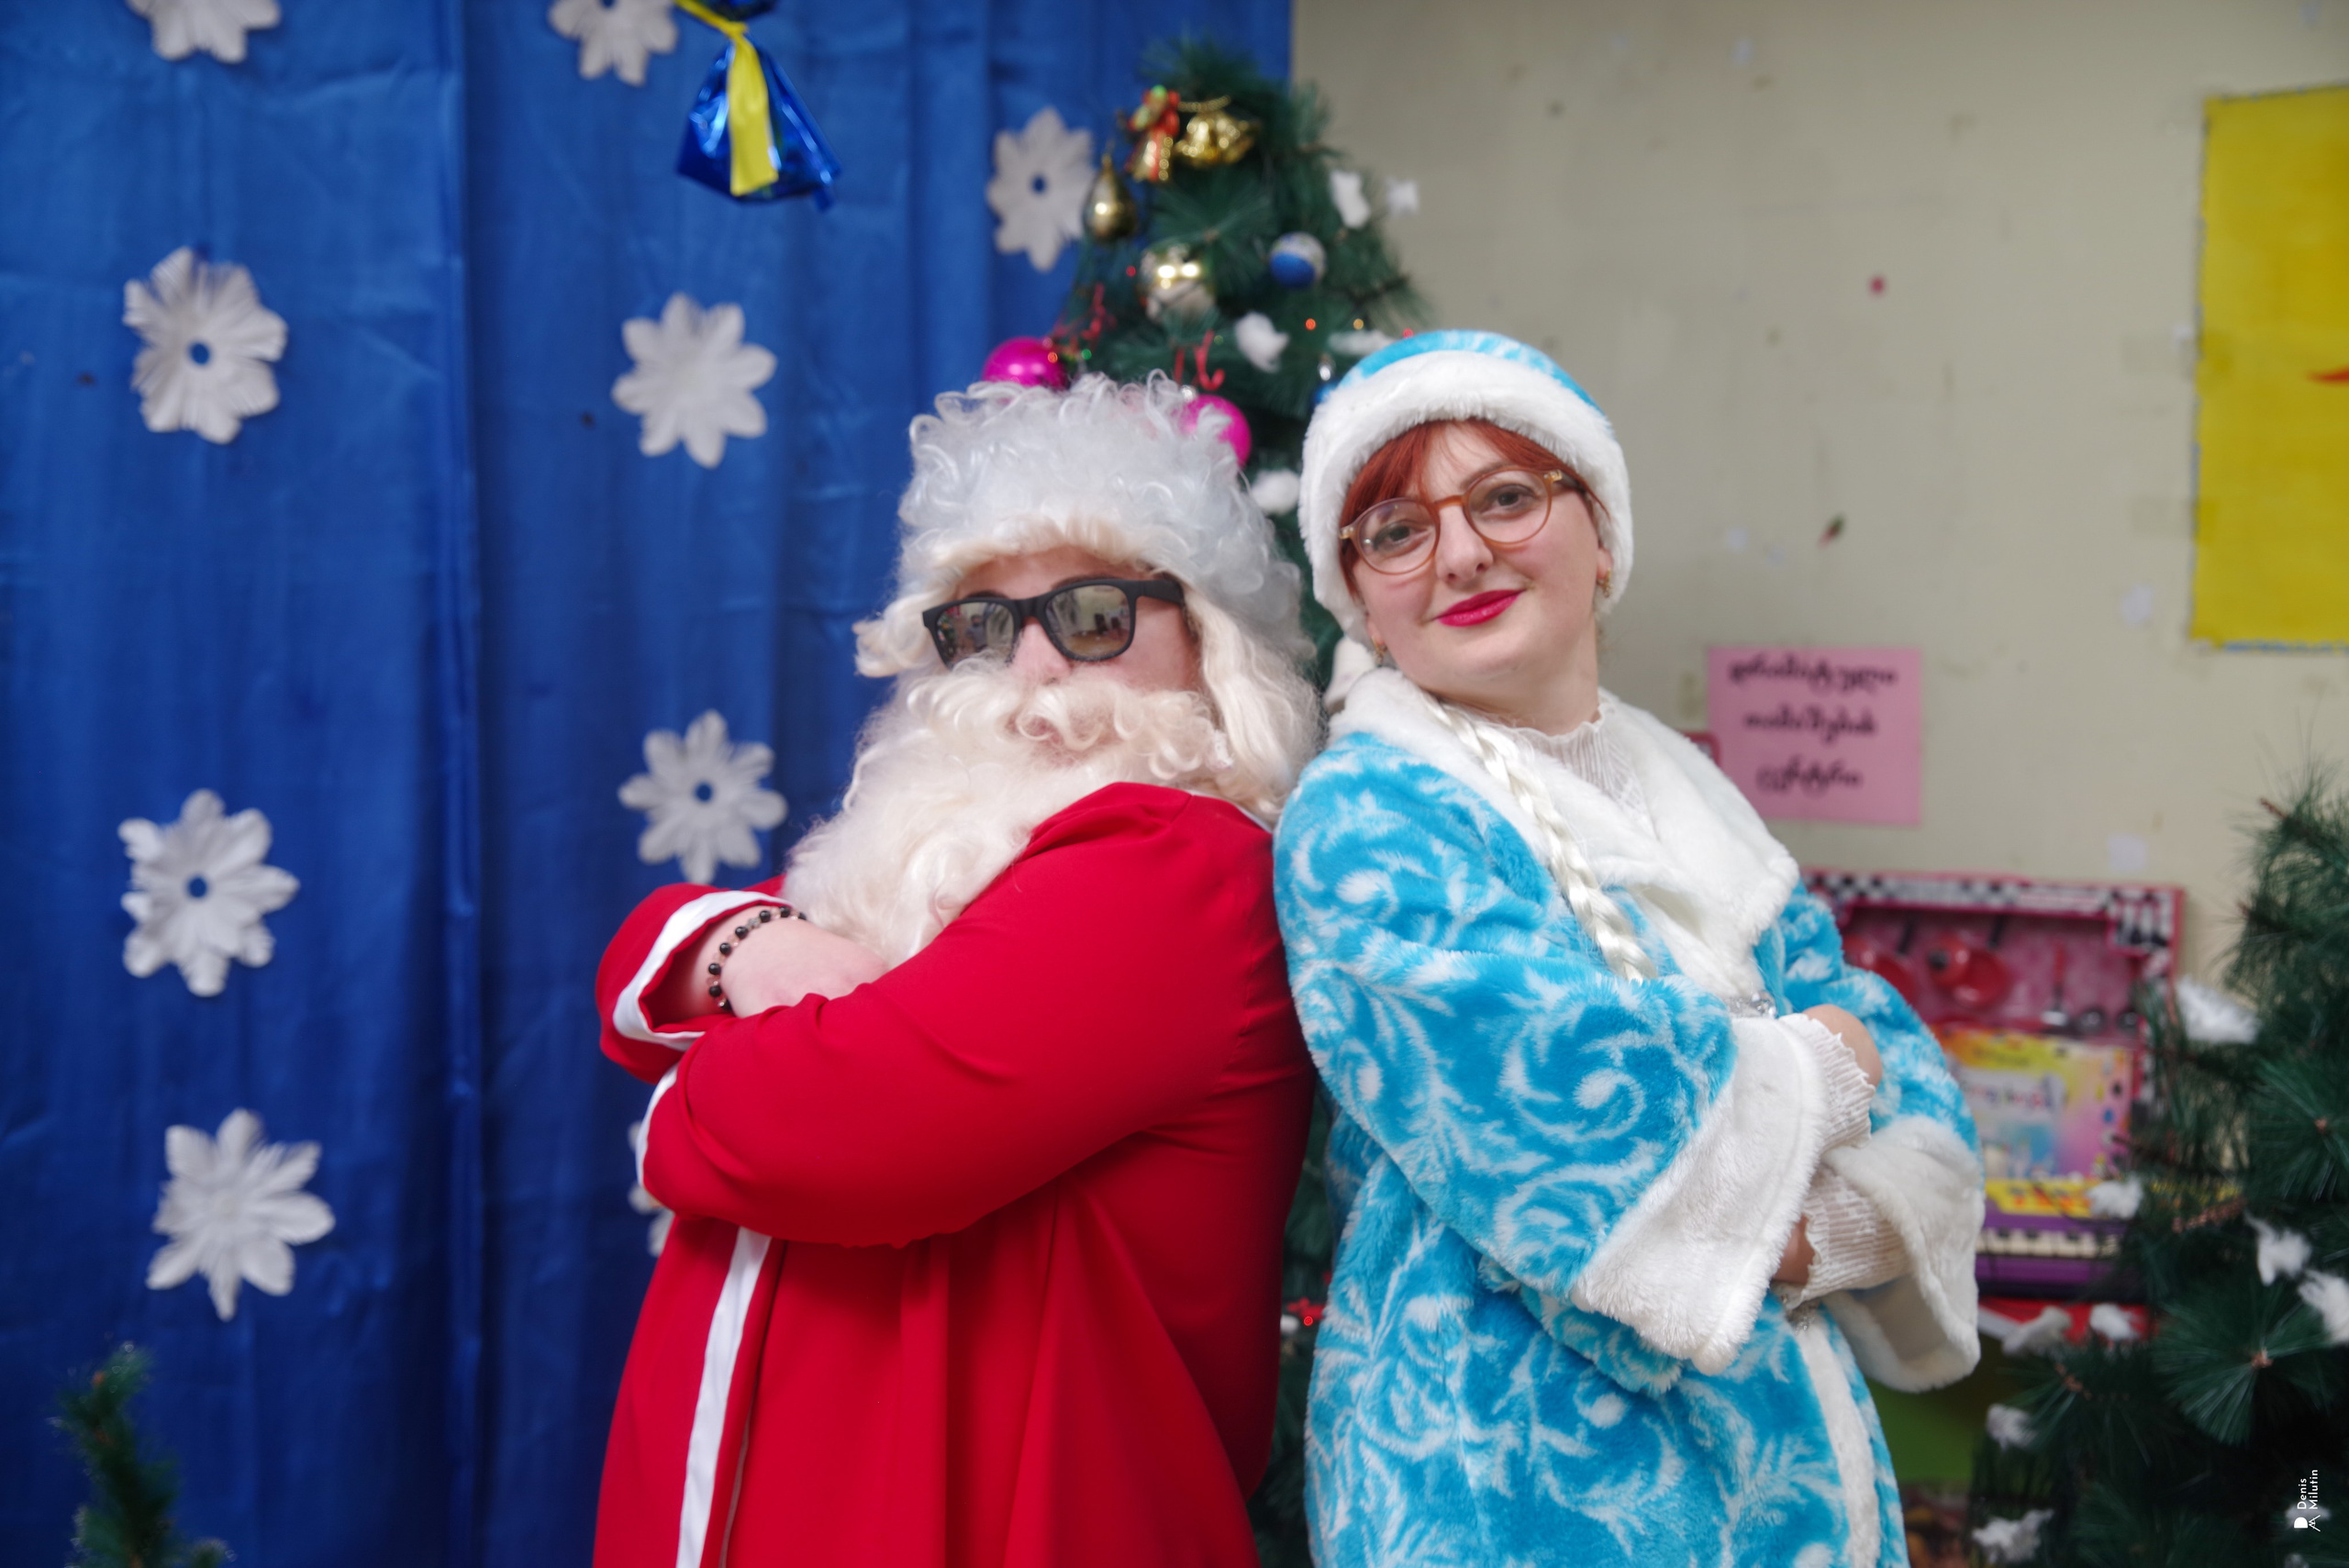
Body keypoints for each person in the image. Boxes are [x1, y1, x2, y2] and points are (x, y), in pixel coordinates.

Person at [1274, 331, 1983, 1567]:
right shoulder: (1368, 819)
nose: (1460, 553)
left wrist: (1833, 1201)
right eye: (1395, 529)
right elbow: (1566, 1098)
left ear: (1600, 535)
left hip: (1790, 1477)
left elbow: (1906, 1062)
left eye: (1504, 497)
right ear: (1362, 598)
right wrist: (1820, 1083)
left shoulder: (1693, 795)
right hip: (1506, 1490)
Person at [591, 375, 1322, 1567]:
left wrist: (708, 1054)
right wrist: (749, 945)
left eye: (1093, 616)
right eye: (984, 625)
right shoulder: (935, 849)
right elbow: (644, 949)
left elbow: (826, 1124)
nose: (1035, 669)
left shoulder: (1179, 865)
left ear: (1206, 640)